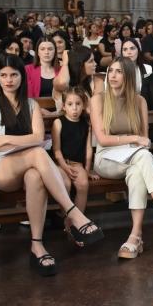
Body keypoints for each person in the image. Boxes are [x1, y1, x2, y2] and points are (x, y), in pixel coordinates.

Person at [0, 54, 103, 275]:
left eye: (14, 75)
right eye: (3, 75)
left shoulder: (31, 105)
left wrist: (5, 139)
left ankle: (37, 245)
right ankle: (73, 213)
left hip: (28, 166)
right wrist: (20, 142)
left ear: (22, 77)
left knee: (35, 176)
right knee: (36, 153)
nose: (8, 80)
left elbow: (37, 138)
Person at [91, 58, 153, 258]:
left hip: (134, 156)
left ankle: (135, 236)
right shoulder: (98, 99)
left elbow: (145, 140)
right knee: (143, 157)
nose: (112, 75)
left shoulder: (139, 101)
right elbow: (103, 139)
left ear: (129, 76)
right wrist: (133, 139)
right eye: (111, 71)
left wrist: (137, 142)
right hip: (107, 158)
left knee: (138, 169)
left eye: (119, 72)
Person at [52, 87, 99, 242]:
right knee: (64, 184)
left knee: (83, 184)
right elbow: (57, 151)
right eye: (70, 104)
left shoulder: (86, 124)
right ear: (64, 106)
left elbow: (88, 149)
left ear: (83, 105)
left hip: (77, 164)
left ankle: (77, 224)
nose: (74, 108)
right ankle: (67, 221)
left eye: (78, 104)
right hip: (61, 164)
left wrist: (87, 170)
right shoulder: (58, 123)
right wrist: (65, 168)